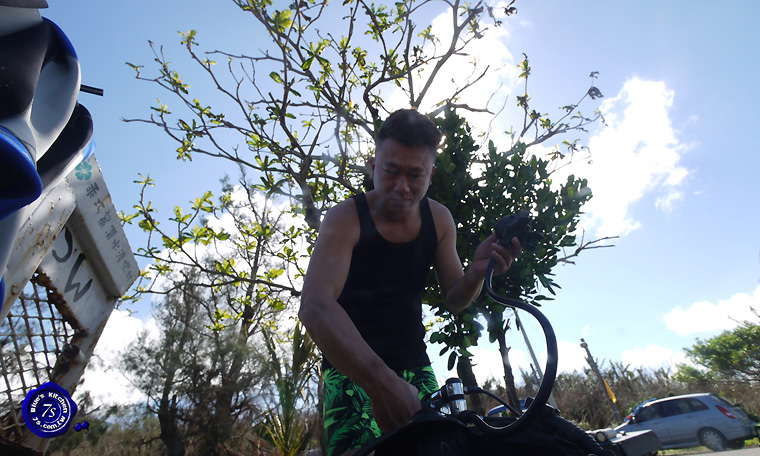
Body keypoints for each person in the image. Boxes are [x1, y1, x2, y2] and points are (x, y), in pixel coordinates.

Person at [299, 109, 522, 456]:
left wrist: (476, 273)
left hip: (415, 366)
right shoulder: (345, 218)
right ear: (373, 166)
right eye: (391, 171)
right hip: (349, 368)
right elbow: (315, 306)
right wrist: (381, 383)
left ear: (430, 174)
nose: (402, 186)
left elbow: (455, 298)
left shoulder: (440, 220)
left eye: (415, 175)